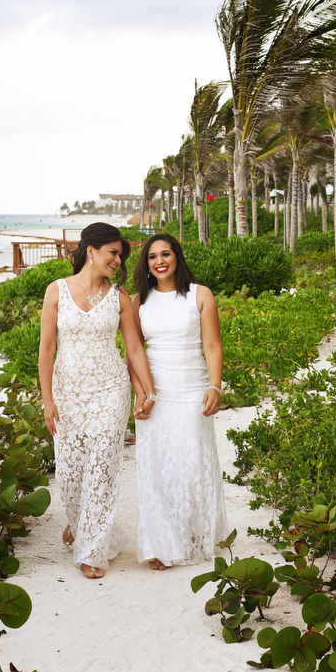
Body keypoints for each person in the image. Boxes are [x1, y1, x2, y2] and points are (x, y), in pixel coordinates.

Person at [39, 223, 157, 580]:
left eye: (120, 255)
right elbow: (46, 349)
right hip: (67, 393)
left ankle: (91, 550)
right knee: (70, 474)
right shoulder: (56, 291)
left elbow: (134, 348)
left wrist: (146, 390)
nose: (118, 260)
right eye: (113, 252)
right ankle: (79, 524)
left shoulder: (119, 297)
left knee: (102, 470)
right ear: (91, 251)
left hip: (110, 391)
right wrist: (47, 399)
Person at [130, 234, 230, 570]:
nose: (160, 261)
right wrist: (142, 394)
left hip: (192, 389)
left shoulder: (200, 295)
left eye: (166, 254)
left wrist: (215, 387)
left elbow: (212, 346)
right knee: (157, 467)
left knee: (189, 466)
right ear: (146, 264)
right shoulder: (136, 302)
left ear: (177, 257)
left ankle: (193, 536)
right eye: (153, 256)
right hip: (156, 394)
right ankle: (162, 543)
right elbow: (133, 353)